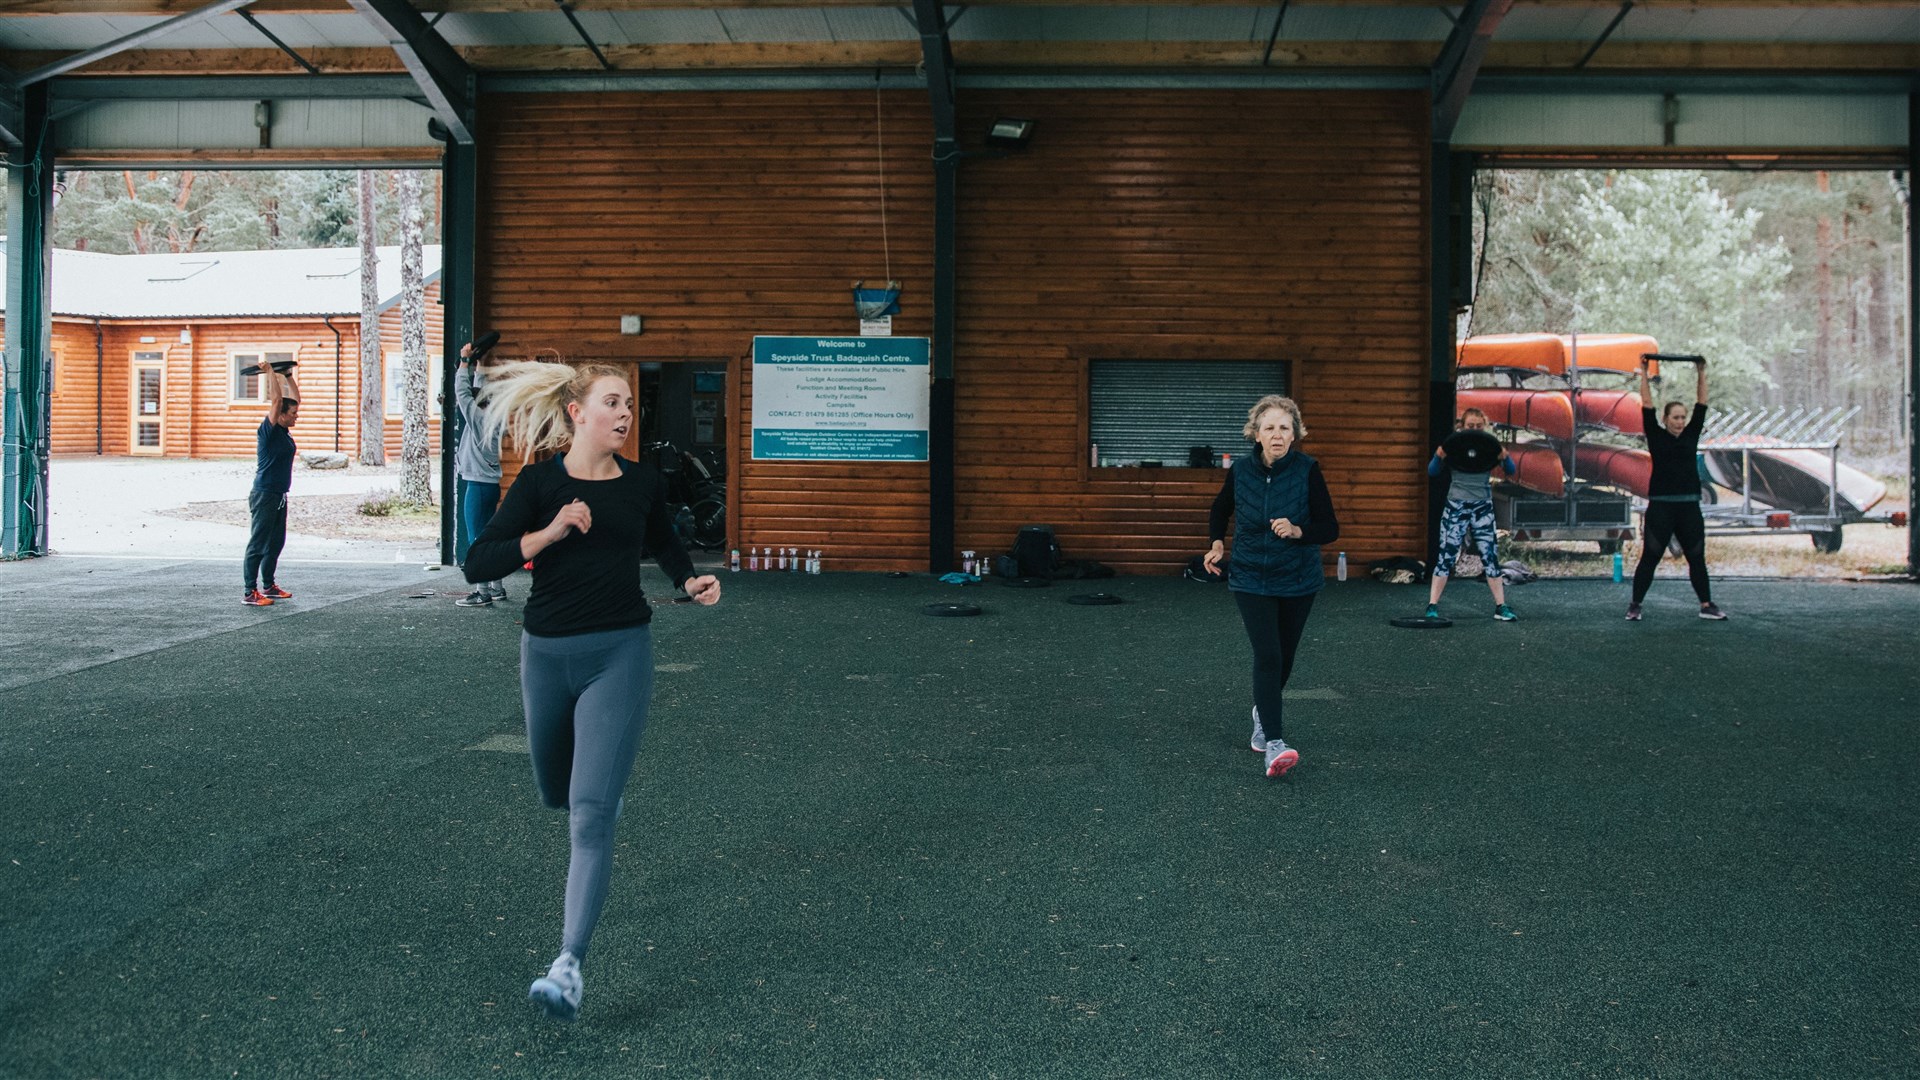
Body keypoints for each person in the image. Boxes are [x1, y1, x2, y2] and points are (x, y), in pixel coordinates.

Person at [462, 359, 722, 1022]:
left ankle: (568, 965)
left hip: (620, 652)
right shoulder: (540, 483)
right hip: (545, 655)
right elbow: (478, 562)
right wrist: (548, 533)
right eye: (613, 402)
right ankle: (594, 792)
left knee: (589, 813)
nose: (626, 414)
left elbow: (664, 541)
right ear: (578, 412)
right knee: (556, 790)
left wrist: (691, 580)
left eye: (630, 403)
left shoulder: (640, 483)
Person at [1202, 395, 1339, 779]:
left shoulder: (1308, 470)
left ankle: (1263, 711)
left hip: (1298, 578)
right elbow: (1220, 509)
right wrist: (1216, 544)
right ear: (1256, 434)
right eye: (1269, 428)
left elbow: (1330, 527)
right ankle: (1274, 742)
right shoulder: (1241, 471)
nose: (1276, 435)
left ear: (1294, 434)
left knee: (1285, 656)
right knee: (1268, 656)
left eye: (1284, 427)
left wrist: (1298, 531)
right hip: (1249, 576)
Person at [1628, 356, 1725, 621]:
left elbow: (1702, 403)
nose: (1681, 421)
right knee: (1651, 556)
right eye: (1676, 417)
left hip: (1689, 505)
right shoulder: (1656, 435)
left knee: (1696, 557)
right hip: (1661, 506)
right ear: (1666, 419)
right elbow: (1646, 404)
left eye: (1683, 417)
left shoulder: (1691, 434)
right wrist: (1644, 374)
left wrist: (1701, 371)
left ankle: (1706, 605)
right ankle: (1635, 605)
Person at [1424, 407, 1519, 622]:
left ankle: (1501, 606)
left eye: (1478, 426)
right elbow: (1432, 471)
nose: (1474, 430)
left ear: (1483, 426)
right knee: (1446, 556)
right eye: (1470, 426)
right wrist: (1438, 456)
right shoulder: (1454, 445)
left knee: (1490, 556)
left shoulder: (1489, 446)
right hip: (1456, 505)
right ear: (1461, 426)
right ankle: (1432, 606)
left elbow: (1511, 470)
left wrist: (1505, 457)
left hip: (1482, 506)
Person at [453, 340, 507, 608]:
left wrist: (464, 362)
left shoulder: (477, 418)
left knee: (477, 540)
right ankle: (497, 587)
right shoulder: (496, 417)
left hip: (477, 486)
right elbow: (478, 391)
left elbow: (463, 393)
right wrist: (480, 363)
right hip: (491, 485)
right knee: (490, 537)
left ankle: (482, 592)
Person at [243, 389, 298, 607]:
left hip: (279, 494)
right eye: (293, 413)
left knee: (275, 543)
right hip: (264, 495)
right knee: (258, 544)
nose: (296, 416)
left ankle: (269, 586)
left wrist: (287, 376)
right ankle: (249, 592)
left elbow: (295, 399)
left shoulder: (285, 432)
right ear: (280, 415)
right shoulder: (268, 432)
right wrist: (270, 372)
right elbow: (277, 400)